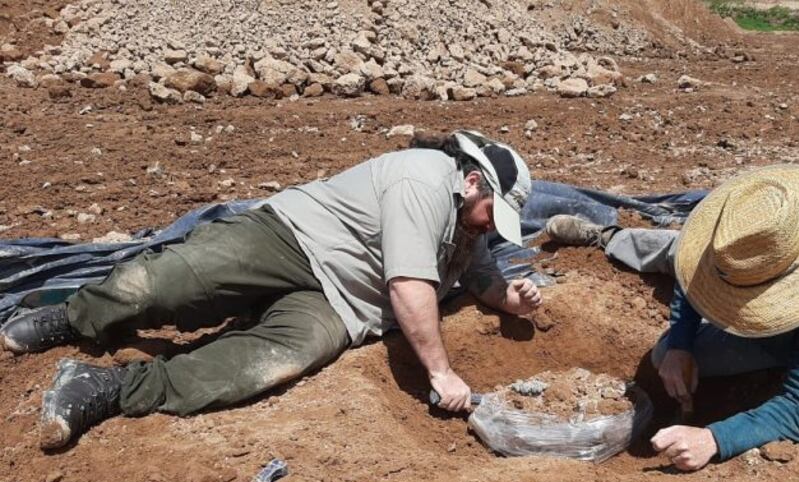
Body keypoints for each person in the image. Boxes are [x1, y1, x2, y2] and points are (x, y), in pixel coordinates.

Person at [0, 130, 542, 449]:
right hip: (290, 236)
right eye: (493, 214)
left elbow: (479, 272)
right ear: (472, 181)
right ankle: (75, 317)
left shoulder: (470, 222)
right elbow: (408, 284)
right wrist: (441, 373)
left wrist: (506, 298)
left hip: (339, 302)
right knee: (167, 283)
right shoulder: (422, 180)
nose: (492, 228)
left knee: (270, 363)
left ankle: (108, 388)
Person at [545, 165, 799, 471]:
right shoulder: (755, 217)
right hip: (759, 266)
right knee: (672, 278)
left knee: (674, 345)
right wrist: (681, 343)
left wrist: (715, 438)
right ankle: (612, 237)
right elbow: (694, 274)